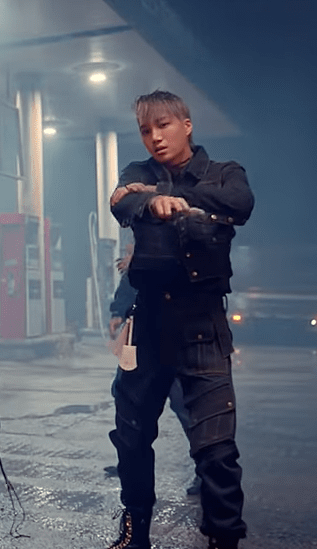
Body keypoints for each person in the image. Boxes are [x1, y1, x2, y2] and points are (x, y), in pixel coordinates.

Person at [106, 90, 253, 549]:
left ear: (186, 125)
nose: (155, 137)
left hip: (203, 325)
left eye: (163, 125)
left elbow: (240, 204)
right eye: (145, 130)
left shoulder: (224, 172)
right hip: (148, 324)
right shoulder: (137, 172)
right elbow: (120, 203)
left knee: (216, 449)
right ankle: (135, 534)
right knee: (131, 437)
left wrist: (166, 195)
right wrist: (145, 200)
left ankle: (224, 539)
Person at [107, 248, 201, 496]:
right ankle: (128, 461)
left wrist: (141, 260)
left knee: (183, 405)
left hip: (173, 340)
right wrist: (118, 312)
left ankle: (205, 468)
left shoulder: (177, 247)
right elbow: (128, 286)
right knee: (124, 398)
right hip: (137, 339)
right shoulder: (139, 248)